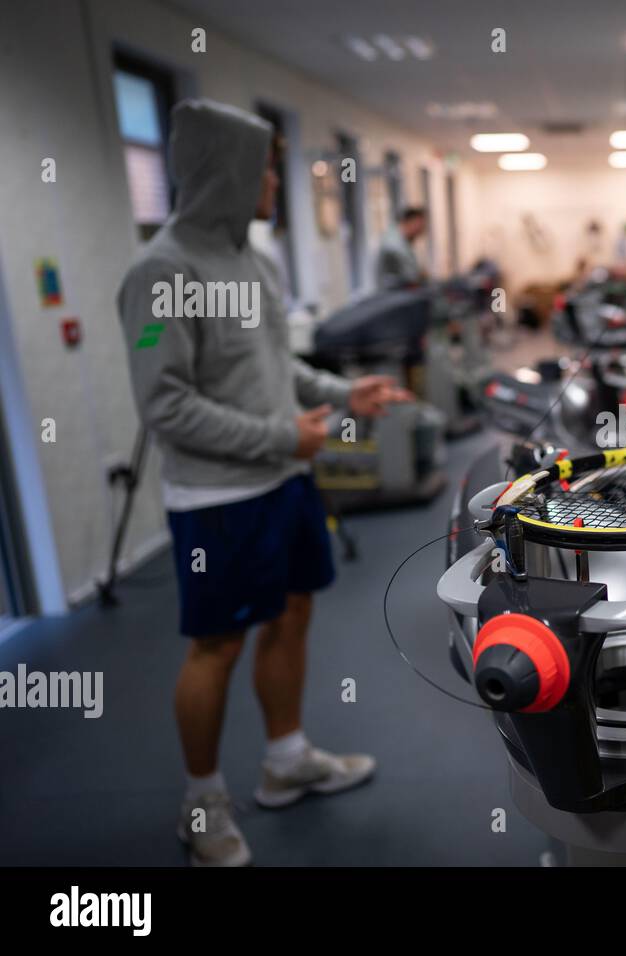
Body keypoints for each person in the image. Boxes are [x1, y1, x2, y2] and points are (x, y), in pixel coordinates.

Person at [117, 100, 414, 867]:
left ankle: (286, 761)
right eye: (267, 171)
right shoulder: (161, 272)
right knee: (215, 646)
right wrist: (286, 435)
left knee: (292, 613)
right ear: (226, 171)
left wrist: (344, 396)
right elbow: (165, 404)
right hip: (218, 499)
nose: (276, 187)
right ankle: (202, 804)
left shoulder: (254, 262)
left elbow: (272, 369)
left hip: (283, 482)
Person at [375, 205, 429, 290]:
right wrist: (420, 276)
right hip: (392, 295)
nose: (422, 231)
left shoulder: (402, 239)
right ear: (412, 222)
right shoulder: (395, 244)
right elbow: (412, 277)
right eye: (421, 226)